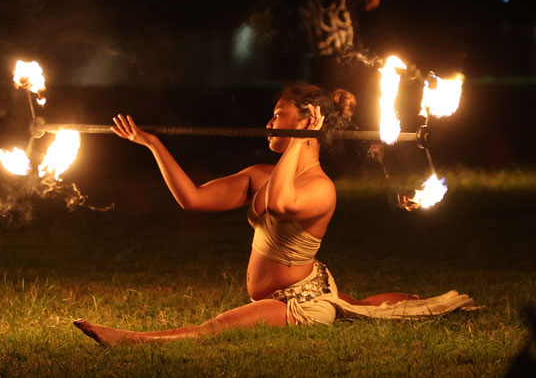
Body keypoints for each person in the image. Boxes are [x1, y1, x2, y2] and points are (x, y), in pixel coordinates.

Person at [74, 82, 475, 345]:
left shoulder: (321, 188)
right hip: (295, 286)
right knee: (362, 307)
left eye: (279, 115)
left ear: (306, 121)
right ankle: (418, 304)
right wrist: (152, 145)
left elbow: (282, 202)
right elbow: (192, 200)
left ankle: (130, 339)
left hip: (299, 301)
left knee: (214, 330)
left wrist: (302, 141)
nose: (268, 123)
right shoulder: (259, 175)